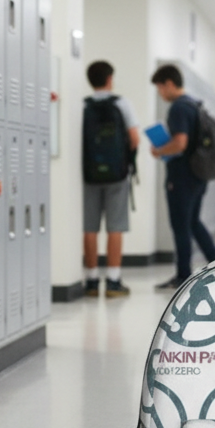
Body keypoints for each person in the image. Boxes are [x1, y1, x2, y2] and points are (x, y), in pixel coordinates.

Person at [149, 64, 215, 290]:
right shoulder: (194, 105)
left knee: (181, 226)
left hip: (182, 177)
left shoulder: (179, 108)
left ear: (169, 83)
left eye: (160, 88)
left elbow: (180, 143)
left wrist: (159, 150)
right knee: (193, 222)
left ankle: (183, 275)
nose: (160, 94)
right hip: (197, 175)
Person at [82, 60, 140, 299]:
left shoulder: (83, 106)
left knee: (89, 228)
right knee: (115, 227)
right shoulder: (121, 103)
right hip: (117, 175)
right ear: (109, 79)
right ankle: (114, 281)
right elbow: (135, 137)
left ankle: (92, 281)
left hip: (89, 174)